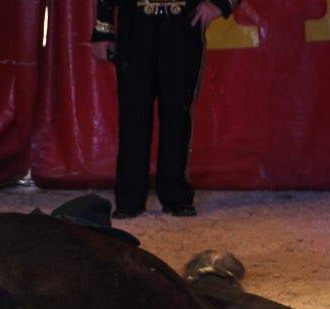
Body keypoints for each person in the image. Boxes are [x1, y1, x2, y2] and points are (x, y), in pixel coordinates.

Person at [90, 0, 242, 219]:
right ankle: (129, 197)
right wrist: (103, 29)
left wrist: (221, 4)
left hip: (183, 23)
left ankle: (176, 193)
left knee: (178, 113)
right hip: (135, 22)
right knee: (133, 112)